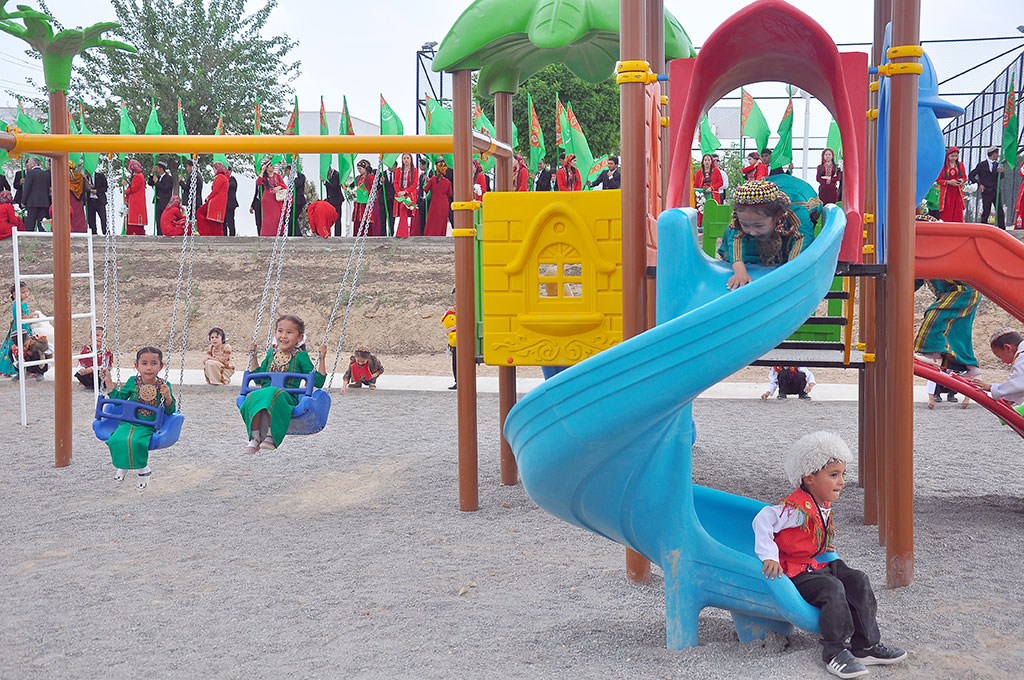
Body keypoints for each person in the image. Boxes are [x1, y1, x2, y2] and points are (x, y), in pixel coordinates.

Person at [754, 431, 907, 679]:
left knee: (858, 579)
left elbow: (814, 531)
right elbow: (763, 520)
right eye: (834, 475)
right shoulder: (794, 509)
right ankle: (834, 652)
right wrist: (769, 556)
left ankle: (865, 645)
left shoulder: (820, 503)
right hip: (795, 572)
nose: (841, 481)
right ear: (809, 477)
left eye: (842, 474)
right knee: (833, 588)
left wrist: (824, 544)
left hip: (814, 564)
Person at [241, 314, 326, 453]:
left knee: (273, 393)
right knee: (251, 397)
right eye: (280, 331)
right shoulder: (271, 353)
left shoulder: (300, 356)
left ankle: (271, 436)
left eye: (289, 332)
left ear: (299, 338)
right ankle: (255, 438)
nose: (283, 336)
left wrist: (322, 359)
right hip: (266, 394)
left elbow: (318, 381)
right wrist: (254, 356)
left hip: (287, 398)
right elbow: (258, 379)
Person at [100, 346, 175, 491]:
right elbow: (117, 400)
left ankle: (143, 470)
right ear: (137, 366)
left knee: (136, 441)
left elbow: (170, 410)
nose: (149, 368)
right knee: (115, 439)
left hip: (147, 424)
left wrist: (167, 396)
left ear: (160, 366)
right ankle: (123, 466)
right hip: (128, 421)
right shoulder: (132, 382)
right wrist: (108, 381)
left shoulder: (164, 385)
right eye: (144, 363)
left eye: (154, 363)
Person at [718, 180, 805, 290]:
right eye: (745, 224)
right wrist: (739, 272)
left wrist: (791, 270)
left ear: (777, 216)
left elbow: (801, 237)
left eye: (758, 225)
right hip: (751, 255)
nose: (752, 231)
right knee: (735, 231)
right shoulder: (738, 225)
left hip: (781, 246)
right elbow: (737, 237)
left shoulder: (795, 214)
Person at [970, 328, 1024, 406]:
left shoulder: (1022, 357)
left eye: (999, 356)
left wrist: (991, 388)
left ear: (1007, 348)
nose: (1003, 361)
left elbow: (1019, 384)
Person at [968, 146, 1005, 228]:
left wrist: (1001, 172)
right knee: (986, 210)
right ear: (993, 154)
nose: (998, 156)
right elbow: (971, 175)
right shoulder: (982, 165)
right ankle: (983, 227)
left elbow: (1001, 177)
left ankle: (1002, 228)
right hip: (986, 190)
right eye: (997, 154)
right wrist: (979, 184)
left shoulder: (998, 165)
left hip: (996, 190)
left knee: (999, 210)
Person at [0, 282, 32, 377]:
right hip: (18, 327)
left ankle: (26, 368)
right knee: (15, 346)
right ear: (14, 294)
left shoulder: (23, 304)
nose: (26, 294)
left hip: (24, 326)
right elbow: (22, 317)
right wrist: (33, 315)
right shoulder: (17, 304)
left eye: (27, 291)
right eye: (23, 292)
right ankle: (10, 370)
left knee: (25, 346)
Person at [196, 161, 229, 236]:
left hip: (216, 202)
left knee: (200, 212)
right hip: (220, 202)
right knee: (214, 221)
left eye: (214, 168)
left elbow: (215, 190)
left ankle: (204, 233)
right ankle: (210, 233)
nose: (213, 170)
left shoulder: (220, 177)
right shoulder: (224, 178)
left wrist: (208, 197)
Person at [256, 159, 287, 237]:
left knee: (277, 217)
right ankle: (267, 234)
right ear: (266, 168)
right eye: (270, 166)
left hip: (276, 199)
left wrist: (279, 187)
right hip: (267, 199)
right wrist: (262, 171)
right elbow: (258, 182)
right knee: (268, 219)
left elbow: (284, 186)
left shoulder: (277, 176)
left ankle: (278, 234)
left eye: (273, 165)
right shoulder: (264, 177)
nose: (272, 167)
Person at [936, 146, 967, 222]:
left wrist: (961, 181)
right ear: (948, 156)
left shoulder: (961, 165)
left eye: (956, 156)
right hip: (947, 193)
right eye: (952, 156)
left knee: (958, 212)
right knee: (947, 212)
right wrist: (949, 182)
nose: (954, 158)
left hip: (957, 192)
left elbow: (965, 177)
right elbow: (938, 180)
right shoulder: (943, 166)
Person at [423, 157, 453, 237]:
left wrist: (427, 181)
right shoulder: (448, 182)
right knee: (442, 222)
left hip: (434, 203)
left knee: (432, 222)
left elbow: (425, 189)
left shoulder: (433, 179)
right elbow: (450, 193)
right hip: (444, 204)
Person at [393, 153, 419, 238]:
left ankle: (402, 233)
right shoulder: (399, 170)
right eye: (404, 158)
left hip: (409, 194)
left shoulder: (414, 170)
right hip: (400, 195)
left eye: (408, 158)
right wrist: (399, 193)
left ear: (411, 159)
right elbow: (396, 182)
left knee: (403, 209)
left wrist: (405, 192)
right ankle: (402, 233)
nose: (406, 160)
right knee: (402, 211)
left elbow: (415, 184)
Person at [351, 159, 380, 237]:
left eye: (360, 169)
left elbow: (373, 190)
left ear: (365, 168)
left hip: (366, 204)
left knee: (366, 220)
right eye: (358, 169)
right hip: (358, 204)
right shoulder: (358, 178)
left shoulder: (370, 177)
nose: (359, 170)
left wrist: (365, 194)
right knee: (358, 221)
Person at [21, 158, 50, 232]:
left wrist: (23, 201)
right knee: (42, 224)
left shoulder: (30, 173)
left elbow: (27, 188)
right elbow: (47, 188)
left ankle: (29, 240)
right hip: (44, 202)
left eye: (29, 163)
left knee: (30, 224)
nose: (27, 164)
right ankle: (43, 240)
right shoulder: (45, 174)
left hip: (32, 203)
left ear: (34, 164)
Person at [123, 159, 147, 235]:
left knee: (135, 219)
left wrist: (126, 187)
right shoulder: (139, 176)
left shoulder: (138, 176)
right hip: (136, 200)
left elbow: (133, 189)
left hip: (136, 201)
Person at [66, 161, 91, 234]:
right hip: (78, 199)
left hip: (68, 200)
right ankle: (81, 231)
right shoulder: (79, 176)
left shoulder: (64, 177)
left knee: (69, 216)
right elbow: (88, 188)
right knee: (79, 216)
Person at [148, 161, 173, 234]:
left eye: (157, 168)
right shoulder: (157, 177)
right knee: (158, 218)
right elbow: (150, 183)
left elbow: (166, 189)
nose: (156, 170)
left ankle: (164, 233)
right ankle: (158, 233)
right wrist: (152, 174)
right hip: (157, 201)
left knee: (164, 218)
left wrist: (157, 182)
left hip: (165, 201)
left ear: (161, 169)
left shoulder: (169, 178)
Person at [325, 167, 346, 237]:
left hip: (337, 200)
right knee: (328, 218)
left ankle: (338, 234)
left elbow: (335, 186)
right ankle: (327, 233)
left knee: (337, 218)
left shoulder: (337, 174)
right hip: (330, 200)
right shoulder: (326, 176)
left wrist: (325, 182)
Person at [86, 169, 108, 235]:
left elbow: (105, 188)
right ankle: (93, 234)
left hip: (99, 201)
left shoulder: (100, 176)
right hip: (90, 201)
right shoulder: (85, 178)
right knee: (91, 219)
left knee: (103, 218)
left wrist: (97, 191)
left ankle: (105, 233)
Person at [442, 300, 457, 390]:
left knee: (458, 362)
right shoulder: (454, 309)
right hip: (454, 342)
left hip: (461, 340)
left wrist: (454, 327)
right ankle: (457, 381)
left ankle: (459, 381)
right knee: (455, 362)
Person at [416, 157, 430, 236]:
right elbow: (420, 189)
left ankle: (428, 234)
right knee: (421, 219)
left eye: (421, 164)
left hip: (429, 199)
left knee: (428, 218)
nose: (420, 166)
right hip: (422, 200)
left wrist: (429, 180)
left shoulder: (431, 173)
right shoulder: (421, 176)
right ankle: (422, 234)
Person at [225, 167, 238, 236]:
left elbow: (232, 185)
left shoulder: (232, 179)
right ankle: (224, 235)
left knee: (230, 221)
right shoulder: (223, 178)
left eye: (229, 170)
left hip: (230, 204)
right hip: (223, 204)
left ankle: (232, 235)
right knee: (224, 221)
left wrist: (225, 183)